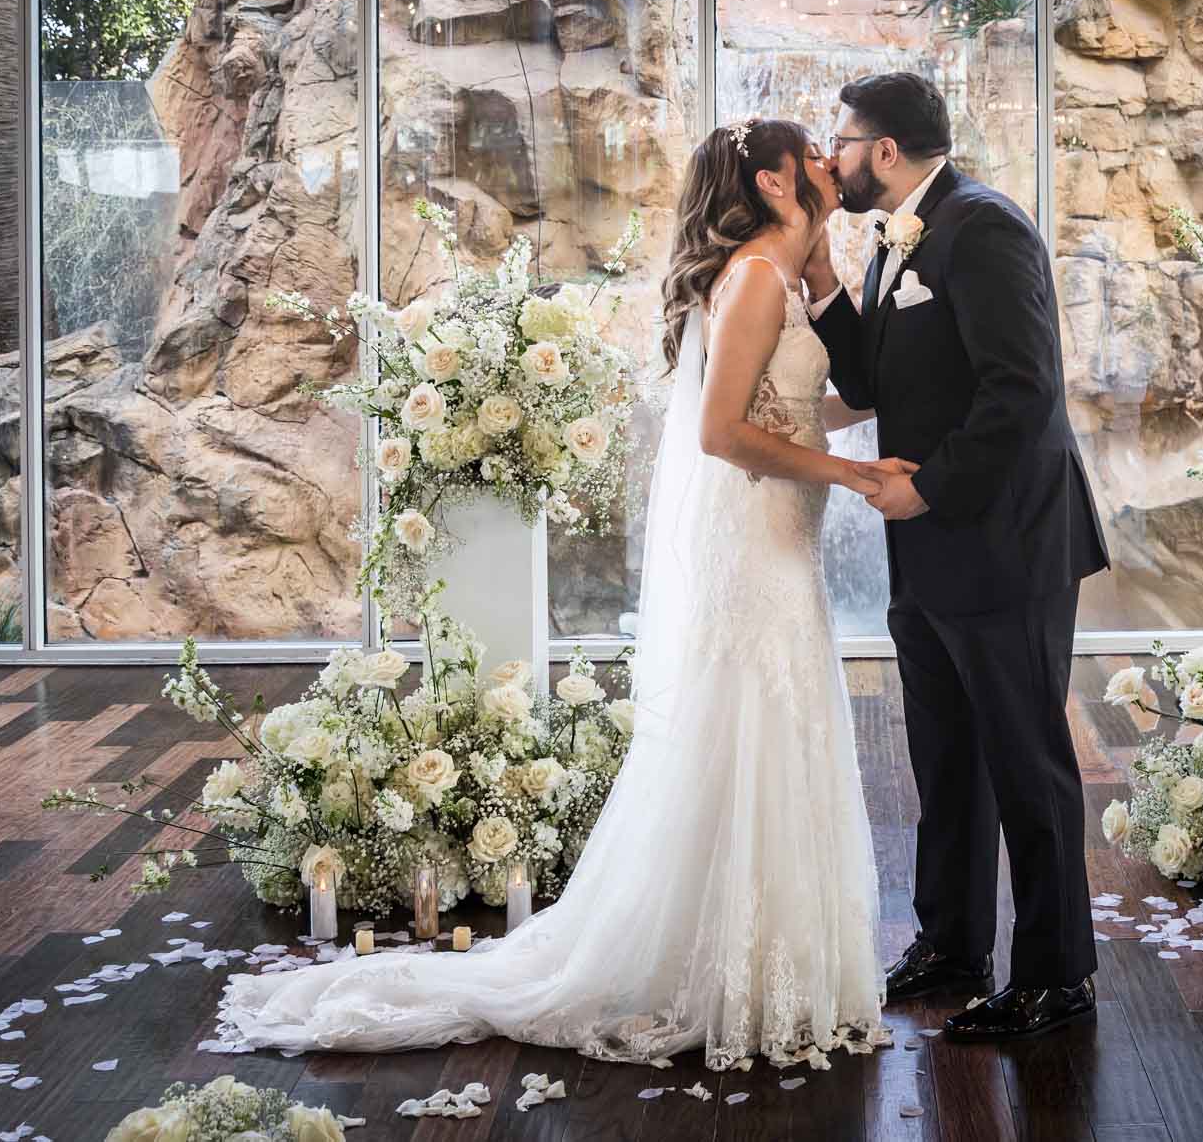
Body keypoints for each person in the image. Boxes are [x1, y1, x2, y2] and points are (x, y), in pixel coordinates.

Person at [213, 120, 901, 1071]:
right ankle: (725, 968)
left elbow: (825, 401)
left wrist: (826, 284)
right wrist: (854, 477)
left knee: (775, 730)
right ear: (780, 182)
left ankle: (769, 960)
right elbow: (720, 434)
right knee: (751, 724)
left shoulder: (781, 275)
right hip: (753, 545)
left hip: (783, 538)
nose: (836, 165)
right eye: (818, 158)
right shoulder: (748, 279)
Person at [805, 72, 1111, 1041]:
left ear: (883, 150)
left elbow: (1022, 394)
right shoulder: (889, 237)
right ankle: (950, 945)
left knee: (1027, 763)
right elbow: (866, 380)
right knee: (944, 758)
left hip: (1004, 543)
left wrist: (925, 486)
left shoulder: (982, 227)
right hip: (927, 550)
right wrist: (817, 269)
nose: (833, 157)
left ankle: (1056, 977)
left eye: (841, 141)